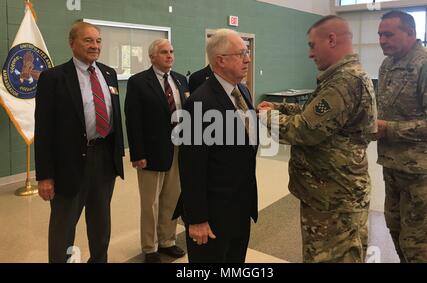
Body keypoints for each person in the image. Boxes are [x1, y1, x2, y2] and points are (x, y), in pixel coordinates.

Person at [257, 15, 377, 263]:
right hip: (330, 193)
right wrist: (280, 107)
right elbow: (315, 112)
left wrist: (268, 117)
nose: (310, 54)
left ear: (331, 40)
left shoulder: (344, 82)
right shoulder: (340, 78)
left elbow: (303, 130)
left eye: (312, 45)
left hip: (334, 199)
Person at [34, 21, 124, 263]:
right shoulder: (53, 78)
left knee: (101, 223)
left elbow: (115, 116)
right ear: (72, 43)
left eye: (98, 41)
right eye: (88, 40)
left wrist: (118, 159)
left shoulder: (108, 74)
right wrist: (44, 175)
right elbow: (43, 130)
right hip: (69, 165)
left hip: (104, 160)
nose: (94, 46)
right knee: (63, 228)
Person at [173, 28, 258, 263]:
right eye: (241, 53)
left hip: (240, 207)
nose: (248, 59)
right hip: (213, 214)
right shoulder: (200, 102)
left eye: (247, 52)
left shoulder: (242, 91)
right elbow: (191, 166)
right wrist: (197, 218)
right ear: (220, 60)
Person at [376, 10, 427, 263]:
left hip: (424, 174)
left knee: (418, 245)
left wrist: (389, 129)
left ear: (410, 33)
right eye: (380, 34)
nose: (382, 40)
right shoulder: (388, 65)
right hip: (394, 167)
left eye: (389, 34)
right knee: (396, 232)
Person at [124, 39, 188, 263]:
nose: (169, 55)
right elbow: (133, 120)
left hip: (178, 149)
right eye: (164, 52)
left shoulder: (181, 80)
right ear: (152, 57)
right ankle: (150, 247)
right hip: (151, 152)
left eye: (171, 51)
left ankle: (167, 241)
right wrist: (137, 153)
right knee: (150, 203)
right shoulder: (138, 82)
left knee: (172, 199)